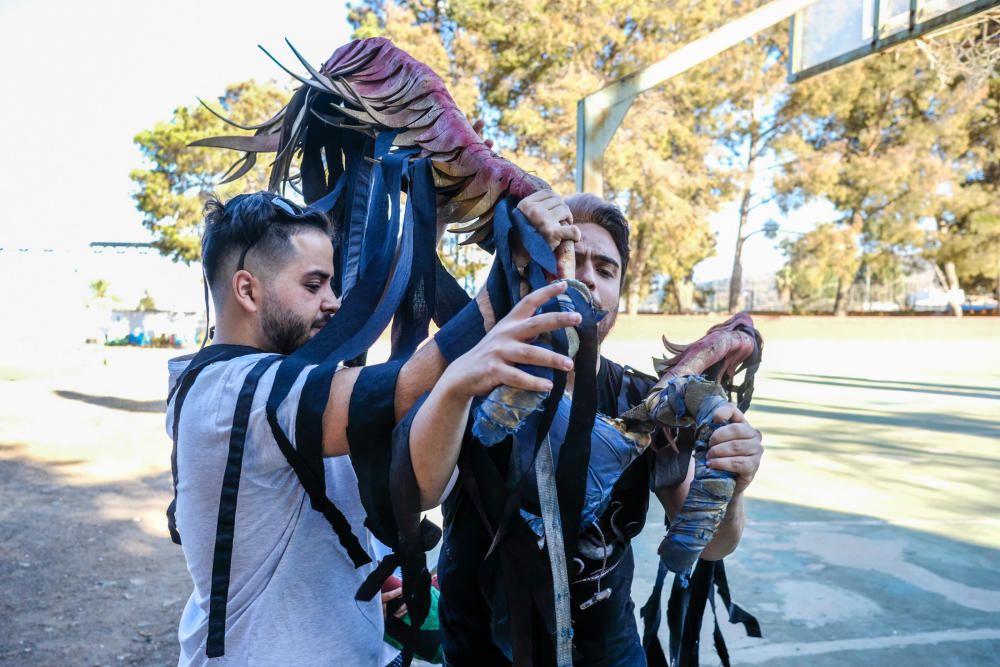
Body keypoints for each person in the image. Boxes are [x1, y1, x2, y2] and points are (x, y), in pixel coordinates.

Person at [166, 190, 580, 665]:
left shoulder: (283, 390)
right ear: (247, 290)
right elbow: (397, 387)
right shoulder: (232, 392)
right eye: (314, 285)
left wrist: (433, 214)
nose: (334, 302)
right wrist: (509, 270)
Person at [436, 193, 764, 666]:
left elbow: (712, 545)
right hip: (479, 653)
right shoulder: (472, 375)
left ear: (618, 294)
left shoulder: (651, 402)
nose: (587, 277)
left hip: (611, 654)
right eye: (569, 258)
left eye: (606, 270)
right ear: (528, 271)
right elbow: (415, 487)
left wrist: (734, 487)